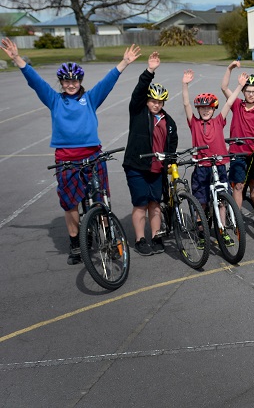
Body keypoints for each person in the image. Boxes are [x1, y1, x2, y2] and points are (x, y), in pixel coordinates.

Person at [1, 38, 140, 265]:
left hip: (93, 156)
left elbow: (107, 82)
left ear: (80, 81)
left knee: (100, 200)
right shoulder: (54, 100)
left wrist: (123, 63)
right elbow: (35, 82)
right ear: (61, 82)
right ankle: (76, 242)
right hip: (66, 158)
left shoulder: (89, 98)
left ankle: (109, 237)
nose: (71, 84)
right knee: (70, 204)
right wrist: (17, 58)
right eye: (66, 81)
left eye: (75, 80)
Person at [122, 51, 178, 256]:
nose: (156, 104)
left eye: (160, 101)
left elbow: (172, 142)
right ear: (147, 101)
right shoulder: (138, 111)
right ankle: (140, 239)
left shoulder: (167, 120)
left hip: (157, 168)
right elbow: (138, 92)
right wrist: (150, 70)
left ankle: (156, 235)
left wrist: (170, 160)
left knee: (155, 203)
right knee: (140, 203)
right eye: (153, 100)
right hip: (137, 166)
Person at [181, 69, 237, 248]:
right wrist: (185, 84)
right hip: (202, 167)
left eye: (208, 108)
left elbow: (229, 103)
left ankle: (222, 230)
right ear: (199, 110)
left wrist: (240, 86)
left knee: (221, 200)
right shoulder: (194, 123)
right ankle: (201, 232)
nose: (205, 111)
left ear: (213, 109)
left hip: (219, 164)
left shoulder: (219, 120)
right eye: (202, 108)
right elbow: (186, 105)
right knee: (202, 202)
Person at [221, 61, 254, 227]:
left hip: (253, 151)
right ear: (243, 92)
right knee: (238, 185)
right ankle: (237, 217)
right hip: (238, 151)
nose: (251, 94)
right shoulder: (237, 105)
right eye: (248, 91)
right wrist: (229, 69)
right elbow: (224, 87)